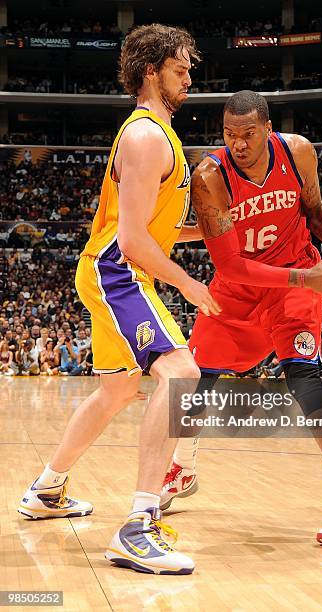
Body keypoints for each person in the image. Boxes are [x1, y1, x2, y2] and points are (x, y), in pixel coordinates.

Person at [18, 24, 220, 576]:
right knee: (180, 373)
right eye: (181, 66)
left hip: (115, 269)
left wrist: (211, 233)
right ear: (152, 69)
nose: (189, 74)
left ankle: (47, 489)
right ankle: (138, 526)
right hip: (119, 271)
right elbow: (130, 242)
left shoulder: (156, 134)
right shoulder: (146, 137)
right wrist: (188, 282)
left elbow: (148, 229)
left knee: (117, 388)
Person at [161, 91, 322, 547]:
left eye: (247, 134)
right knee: (193, 383)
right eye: (229, 134)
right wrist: (309, 278)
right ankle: (183, 467)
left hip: (298, 283)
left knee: (306, 379)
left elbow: (315, 212)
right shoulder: (209, 177)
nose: (237, 144)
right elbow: (231, 268)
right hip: (243, 288)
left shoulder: (297, 151)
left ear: (266, 129)